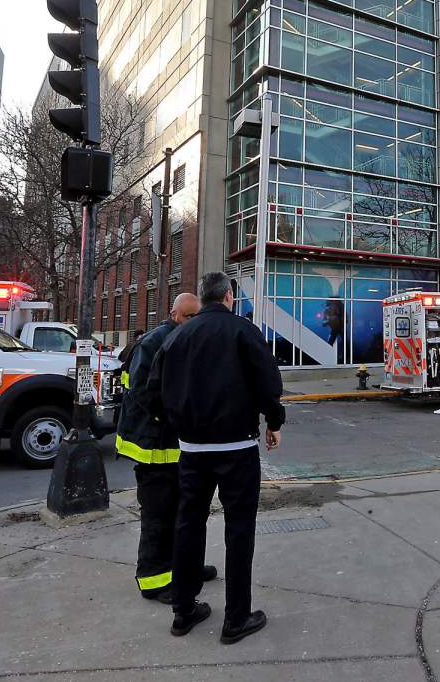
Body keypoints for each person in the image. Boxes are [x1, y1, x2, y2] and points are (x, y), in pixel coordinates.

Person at [156, 271, 286, 644]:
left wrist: (179, 425)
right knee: (239, 530)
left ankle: (183, 611)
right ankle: (236, 619)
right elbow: (267, 384)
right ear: (229, 296)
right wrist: (274, 422)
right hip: (237, 448)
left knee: (188, 525)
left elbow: (154, 390)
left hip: (192, 450)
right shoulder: (243, 331)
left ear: (203, 298)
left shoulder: (177, 335)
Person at [114, 298, 214, 603]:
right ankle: (154, 581)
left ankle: (186, 568)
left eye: (196, 316)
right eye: (188, 316)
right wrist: (177, 418)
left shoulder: (183, 338)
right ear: (173, 314)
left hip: (173, 447)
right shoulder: (156, 342)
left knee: (181, 513)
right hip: (153, 447)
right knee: (159, 516)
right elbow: (144, 392)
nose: (192, 321)